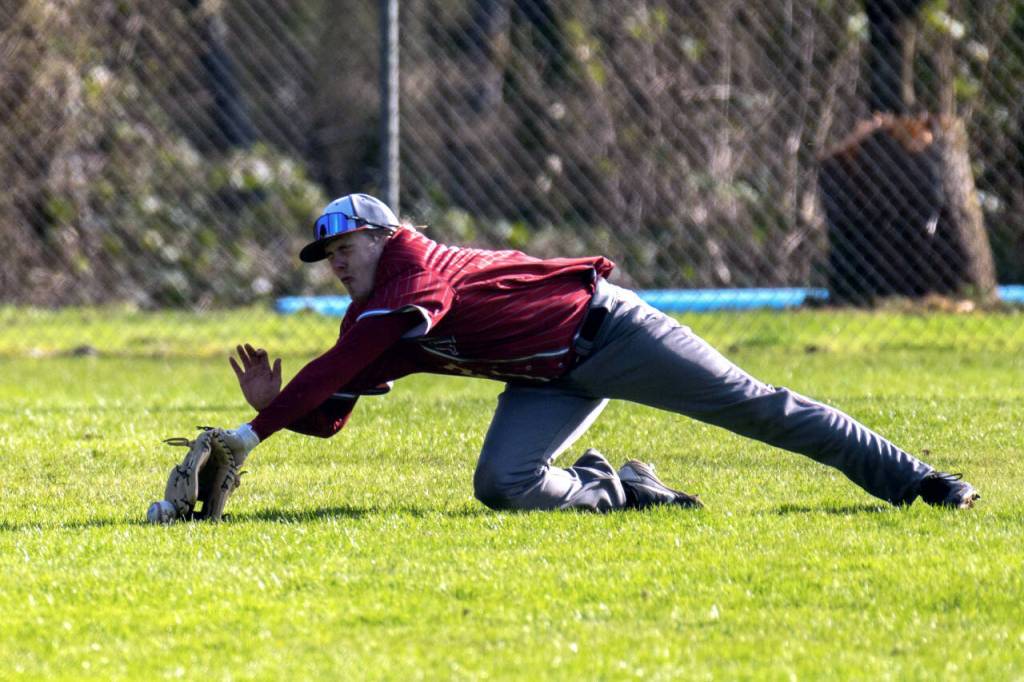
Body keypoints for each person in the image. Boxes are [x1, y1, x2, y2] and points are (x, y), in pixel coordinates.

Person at [215, 193, 980, 513]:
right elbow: (335, 412)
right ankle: (615, 491)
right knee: (501, 483)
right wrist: (273, 409)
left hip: (611, 333)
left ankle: (923, 482)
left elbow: (357, 356)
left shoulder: (412, 271)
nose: (337, 265)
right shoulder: (373, 310)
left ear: (381, 234)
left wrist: (254, 436)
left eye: (344, 247)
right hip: (547, 378)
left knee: (757, 408)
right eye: (327, 258)